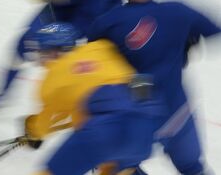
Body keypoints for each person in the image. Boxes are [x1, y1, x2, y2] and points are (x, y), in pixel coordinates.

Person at [87, 0, 221, 175]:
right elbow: (215, 30)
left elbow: (88, 60)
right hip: (178, 112)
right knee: (193, 168)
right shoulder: (178, 10)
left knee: (114, 167)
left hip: (136, 117)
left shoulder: (110, 22)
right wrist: (189, 40)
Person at [22, 22, 164, 175]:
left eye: (43, 53)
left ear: (54, 52)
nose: (41, 60)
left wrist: (32, 129)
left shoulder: (52, 78)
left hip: (105, 130)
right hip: (146, 127)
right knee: (121, 166)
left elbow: (45, 123)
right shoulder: (102, 47)